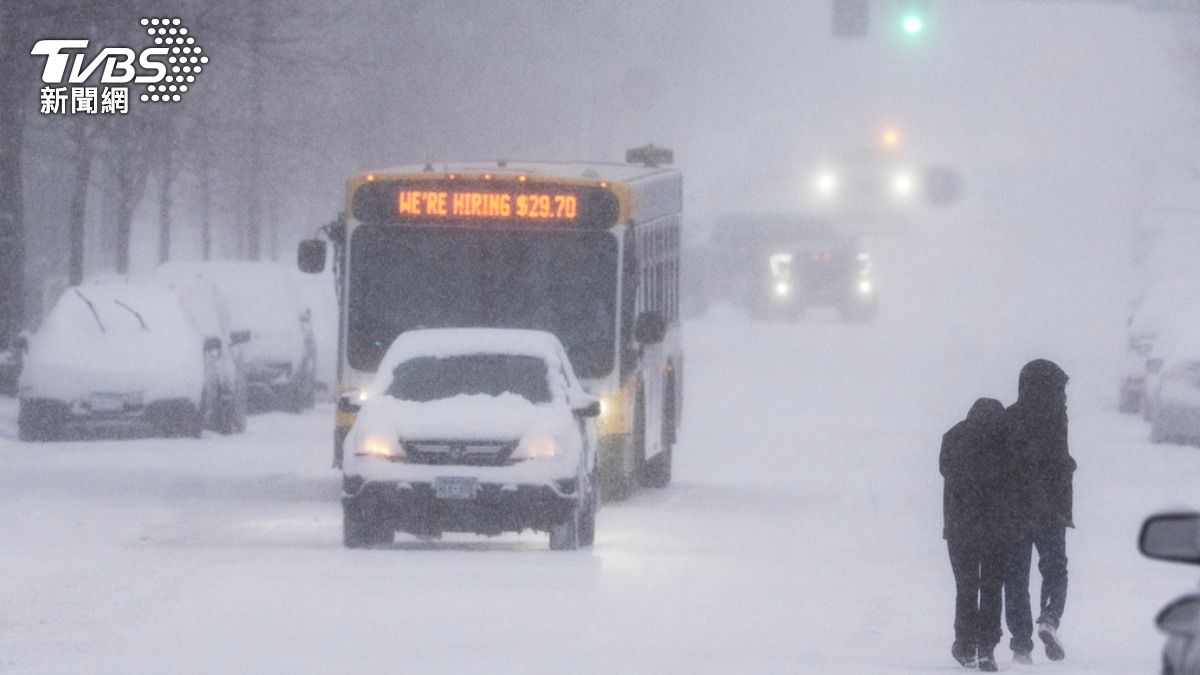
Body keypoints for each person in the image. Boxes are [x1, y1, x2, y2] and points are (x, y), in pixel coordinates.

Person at [1003, 359, 1075, 664]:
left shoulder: (1010, 418)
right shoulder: (1056, 418)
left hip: (1016, 510)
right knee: (1055, 568)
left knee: (1016, 576)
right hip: (1051, 511)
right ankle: (1049, 616)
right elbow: (1057, 464)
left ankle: (1021, 644)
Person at [941, 397, 1007, 671]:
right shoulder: (1004, 441)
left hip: (960, 529)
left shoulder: (954, 437)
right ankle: (987, 647)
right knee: (992, 588)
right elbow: (1015, 479)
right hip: (995, 529)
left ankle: (965, 644)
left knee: (966, 588)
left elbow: (946, 470)